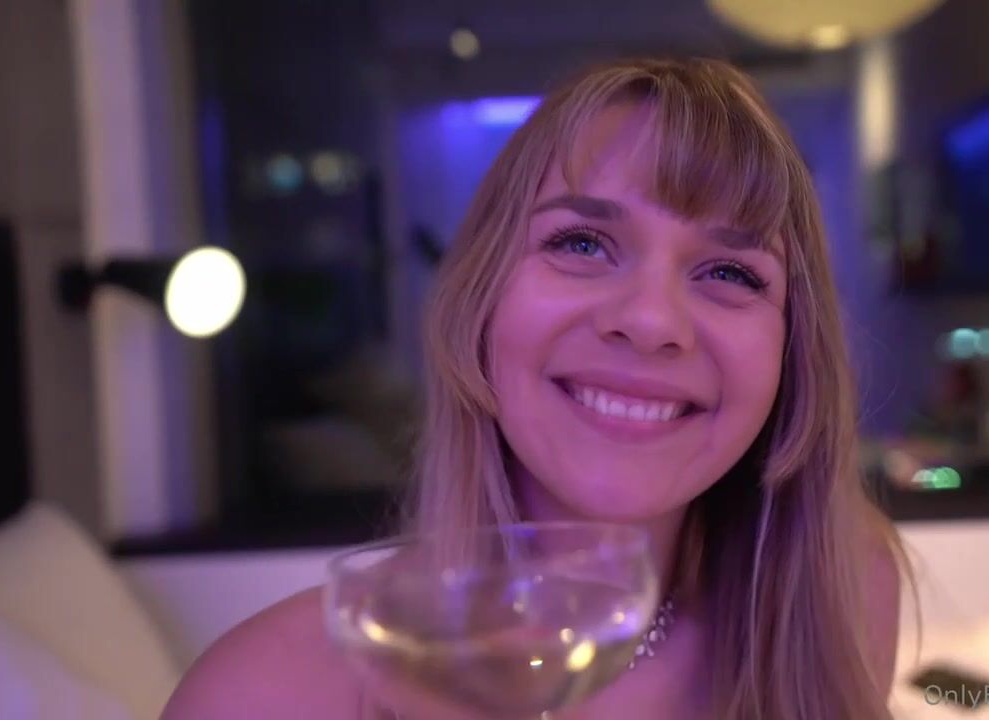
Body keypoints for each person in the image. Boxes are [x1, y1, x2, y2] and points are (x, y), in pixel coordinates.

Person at [163, 56, 913, 720]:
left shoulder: (843, 601)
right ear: (479, 300)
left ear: (792, 349)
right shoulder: (261, 696)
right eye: (581, 243)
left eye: (730, 272)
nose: (651, 321)